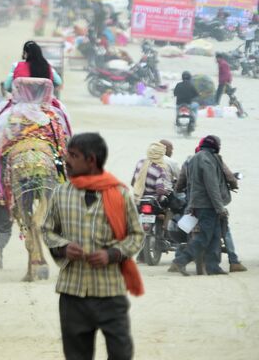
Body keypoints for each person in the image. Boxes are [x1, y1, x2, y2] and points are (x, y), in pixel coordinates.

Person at [42, 132, 144, 360]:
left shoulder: (120, 194)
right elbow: (47, 230)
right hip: (72, 294)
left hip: (110, 293)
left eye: (74, 156)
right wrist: (63, 247)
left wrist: (113, 254)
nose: (66, 161)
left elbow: (136, 235)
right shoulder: (60, 194)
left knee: (121, 354)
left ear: (91, 160)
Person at [168, 135, 231, 276]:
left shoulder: (196, 158)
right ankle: (181, 261)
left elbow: (188, 183)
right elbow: (212, 185)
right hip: (207, 205)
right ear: (214, 145)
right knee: (203, 237)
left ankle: (213, 267)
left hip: (201, 203)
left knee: (215, 235)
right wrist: (219, 207)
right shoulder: (206, 159)